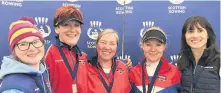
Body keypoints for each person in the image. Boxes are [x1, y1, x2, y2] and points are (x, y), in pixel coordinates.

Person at [0, 17, 52, 93]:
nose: (32, 48)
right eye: (23, 44)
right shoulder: (13, 89)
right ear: (14, 51)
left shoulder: (41, 71)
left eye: (35, 42)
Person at [45, 5, 88, 93]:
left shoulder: (82, 56)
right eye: (66, 25)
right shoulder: (47, 54)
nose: (72, 30)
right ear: (57, 28)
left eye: (76, 25)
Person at [130, 27, 181, 93]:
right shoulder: (133, 72)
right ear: (142, 45)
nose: (153, 49)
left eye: (158, 45)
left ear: (165, 47)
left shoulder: (176, 72)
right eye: (148, 44)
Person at [177, 16, 220, 93]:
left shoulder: (218, 61)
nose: (195, 35)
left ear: (208, 35)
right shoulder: (182, 61)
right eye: (190, 31)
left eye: (200, 31)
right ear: (185, 35)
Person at [87, 28, 131, 93]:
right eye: (103, 42)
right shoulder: (85, 69)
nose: (107, 47)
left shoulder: (125, 68)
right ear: (96, 45)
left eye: (112, 44)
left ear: (116, 47)